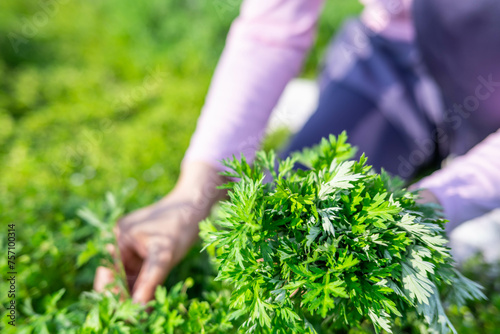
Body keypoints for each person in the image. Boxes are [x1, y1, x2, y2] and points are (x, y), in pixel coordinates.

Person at [94, 0, 500, 304]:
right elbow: (270, 30)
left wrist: (440, 201)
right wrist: (190, 194)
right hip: (391, 63)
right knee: (292, 229)